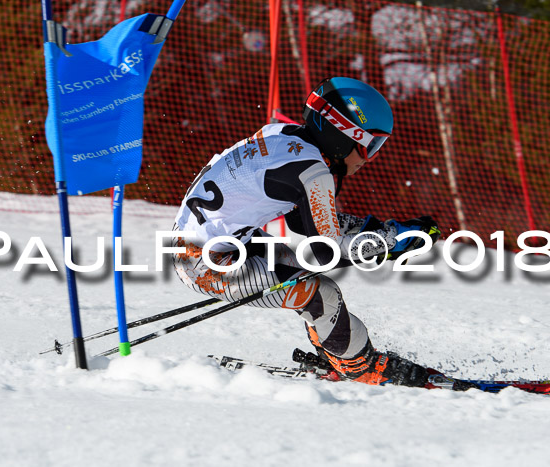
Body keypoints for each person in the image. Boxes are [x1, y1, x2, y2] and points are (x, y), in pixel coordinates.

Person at [172, 77, 441, 387]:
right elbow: (327, 251)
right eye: (370, 146)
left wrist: (383, 233)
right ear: (343, 136)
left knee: (299, 267)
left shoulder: (284, 136)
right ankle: (358, 366)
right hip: (207, 264)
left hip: (204, 245)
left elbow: (307, 223)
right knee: (322, 293)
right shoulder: (313, 171)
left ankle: (333, 351)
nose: (370, 158)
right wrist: (394, 243)